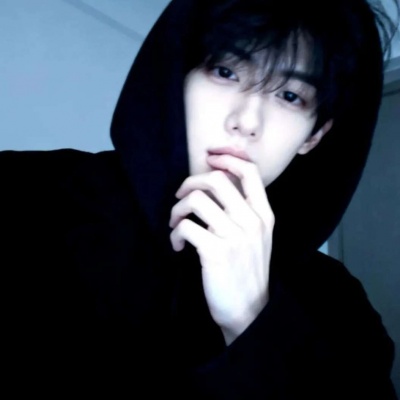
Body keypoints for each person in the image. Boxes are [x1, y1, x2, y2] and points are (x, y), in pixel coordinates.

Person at [2, 0, 398, 398]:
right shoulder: (28, 194)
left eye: (290, 96)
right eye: (225, 72)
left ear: (314, 135)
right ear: (177, 75)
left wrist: (252, 318)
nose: (246, 121)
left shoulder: (340, 308)